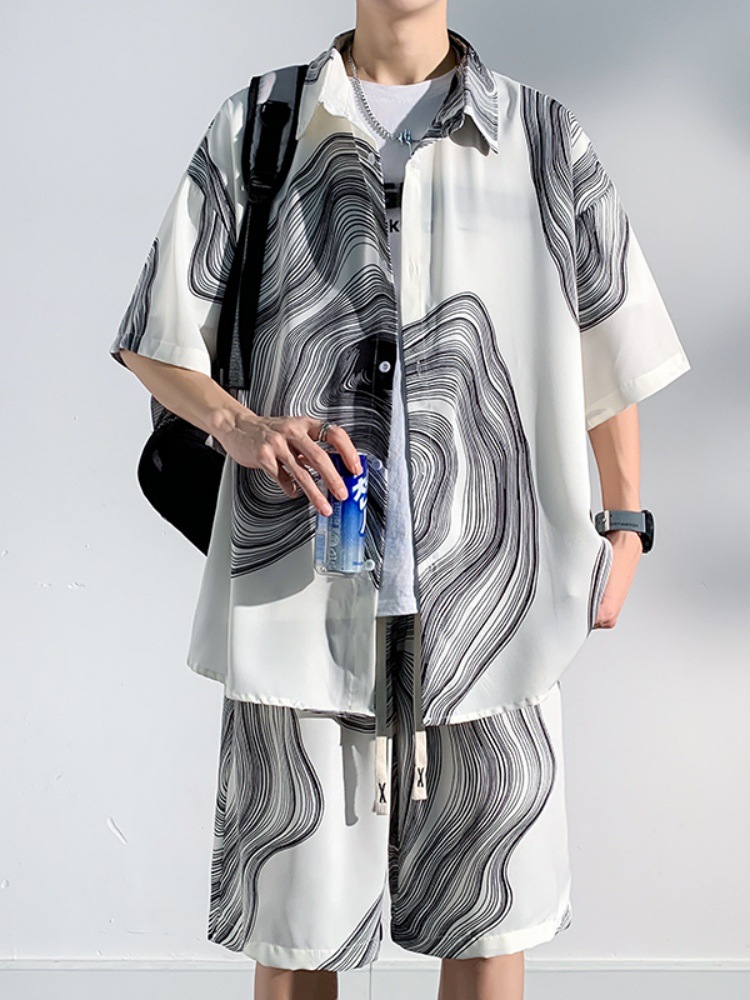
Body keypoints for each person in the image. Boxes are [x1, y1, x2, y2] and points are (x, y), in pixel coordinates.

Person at [110, 2, 691, 998]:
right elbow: (156, 336)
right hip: (297, 598)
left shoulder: (541, 136)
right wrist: (239, 425)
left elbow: (612, 338)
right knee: (296, 935)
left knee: (489, 921)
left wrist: (627, 523)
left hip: (494, 609)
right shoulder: (261, 123)